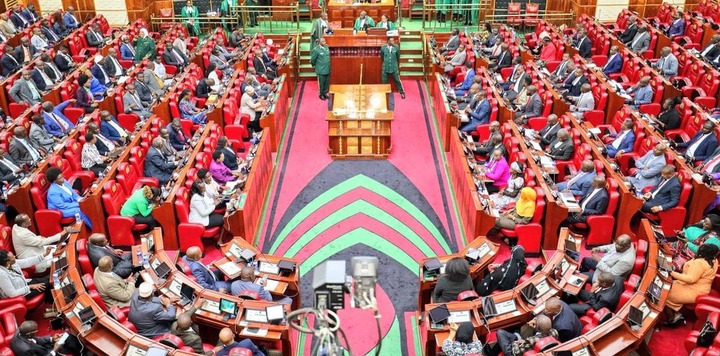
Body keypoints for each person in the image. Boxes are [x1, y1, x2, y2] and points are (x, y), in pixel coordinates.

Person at [664, 244, 719, 325]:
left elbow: (690, 279)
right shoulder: (714, 260)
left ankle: (672, 319)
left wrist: (671, 272)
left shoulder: (700, 263)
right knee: (667, 286)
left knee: (665, 295)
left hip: (693, 289)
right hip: (699, 288)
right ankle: (677, 315)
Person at [10, 321, 77, 355]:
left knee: (68, 337)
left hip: (40, 348)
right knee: (69, 342)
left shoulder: (21, 331)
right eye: (36, 331)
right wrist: (54, 350)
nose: (37, 332)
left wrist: (52, 339)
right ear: (29, 334)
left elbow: (36, 338)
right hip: (46, 353)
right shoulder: (26, 350)